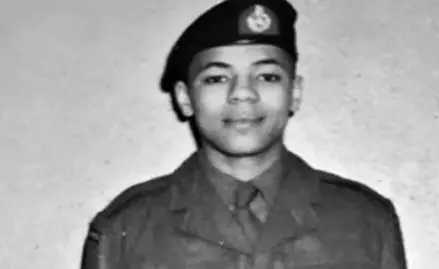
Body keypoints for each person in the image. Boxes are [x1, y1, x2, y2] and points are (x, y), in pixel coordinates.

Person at [80, 0, 408, 268]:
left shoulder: (364, 220)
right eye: (216, 78)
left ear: (294, 92)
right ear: (184, 98)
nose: (243, 93)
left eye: (266, 76)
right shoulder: (127, 228)